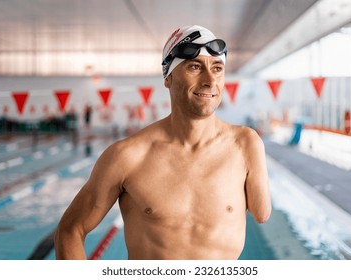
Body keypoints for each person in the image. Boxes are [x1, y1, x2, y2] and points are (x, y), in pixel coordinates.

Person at [54, 25, 271, 260]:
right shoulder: (128, 156)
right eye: (195, 67)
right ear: (168, 78)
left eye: (217, 68)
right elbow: (70, 230)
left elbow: (262, 213)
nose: (210, 80)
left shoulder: (246, 144)